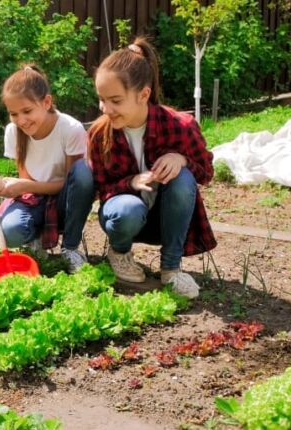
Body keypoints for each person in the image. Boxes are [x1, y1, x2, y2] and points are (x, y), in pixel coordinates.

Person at [87, 37, 216, 299]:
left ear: (143, 94)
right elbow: (101, 188)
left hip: (165, 220)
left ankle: (171, 269)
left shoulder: (180, 126)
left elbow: (206, 173)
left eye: (115, 100)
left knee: (182, 179)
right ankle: (120, 253)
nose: (106, 109)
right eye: (102, 99)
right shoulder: (99, 133)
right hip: (125, 218)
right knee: (127, 209)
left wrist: (182, 160)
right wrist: (131, 182)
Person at [0, 65, 95, 273]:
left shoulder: (70, 129)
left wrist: (24, 186)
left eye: (27, 111)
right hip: (35, 199)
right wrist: (0, 185)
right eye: (14, 114)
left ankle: (70, 248)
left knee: (84, 172)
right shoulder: (14, 131)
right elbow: (26, 185)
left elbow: (73, 184)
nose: (21, 120)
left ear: (46, 102)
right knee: (10, 230)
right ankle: (34, 240)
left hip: (67, 202)